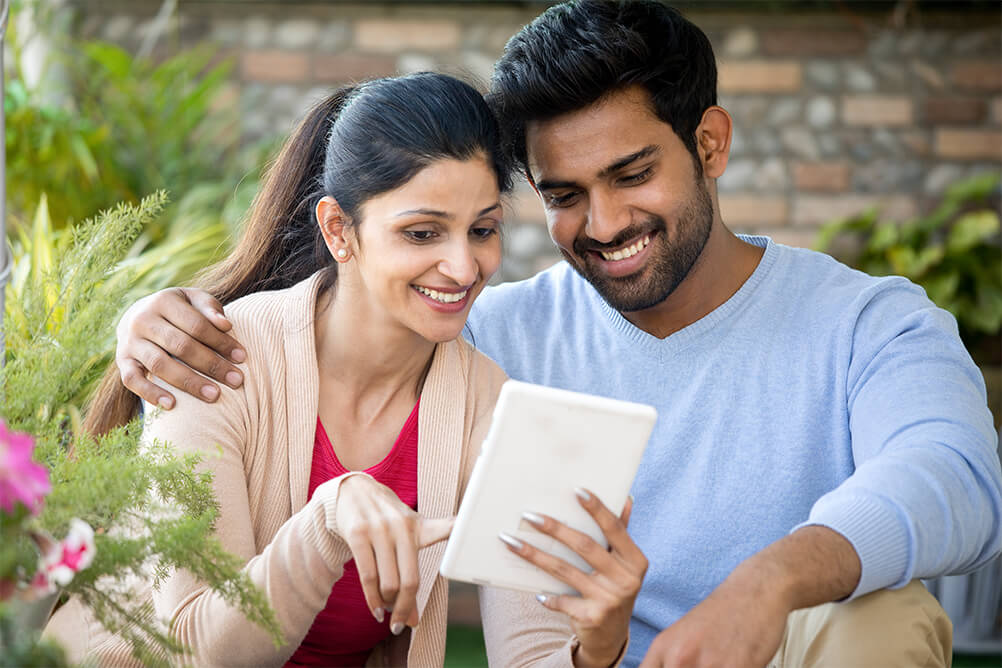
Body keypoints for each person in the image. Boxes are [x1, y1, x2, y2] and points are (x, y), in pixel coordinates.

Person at [112, 2, 1002, 667]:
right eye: (564, 194)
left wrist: (767, 585)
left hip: (784, 647)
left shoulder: (867, 320)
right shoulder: (492, 337)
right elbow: (343, 318)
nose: (605, 222)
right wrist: (154, 318)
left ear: (713, 144)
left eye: (633, 173)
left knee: (877, 621)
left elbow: (957, 474)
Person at [55, 72, 647, 667]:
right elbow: (196, 651)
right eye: (422, 232)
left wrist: (594, 648)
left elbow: (531, 655)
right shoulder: (214, 360)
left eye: (483, 230)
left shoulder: (489, 407)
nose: (464, 266)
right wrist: (329, 516)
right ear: (340, 230)